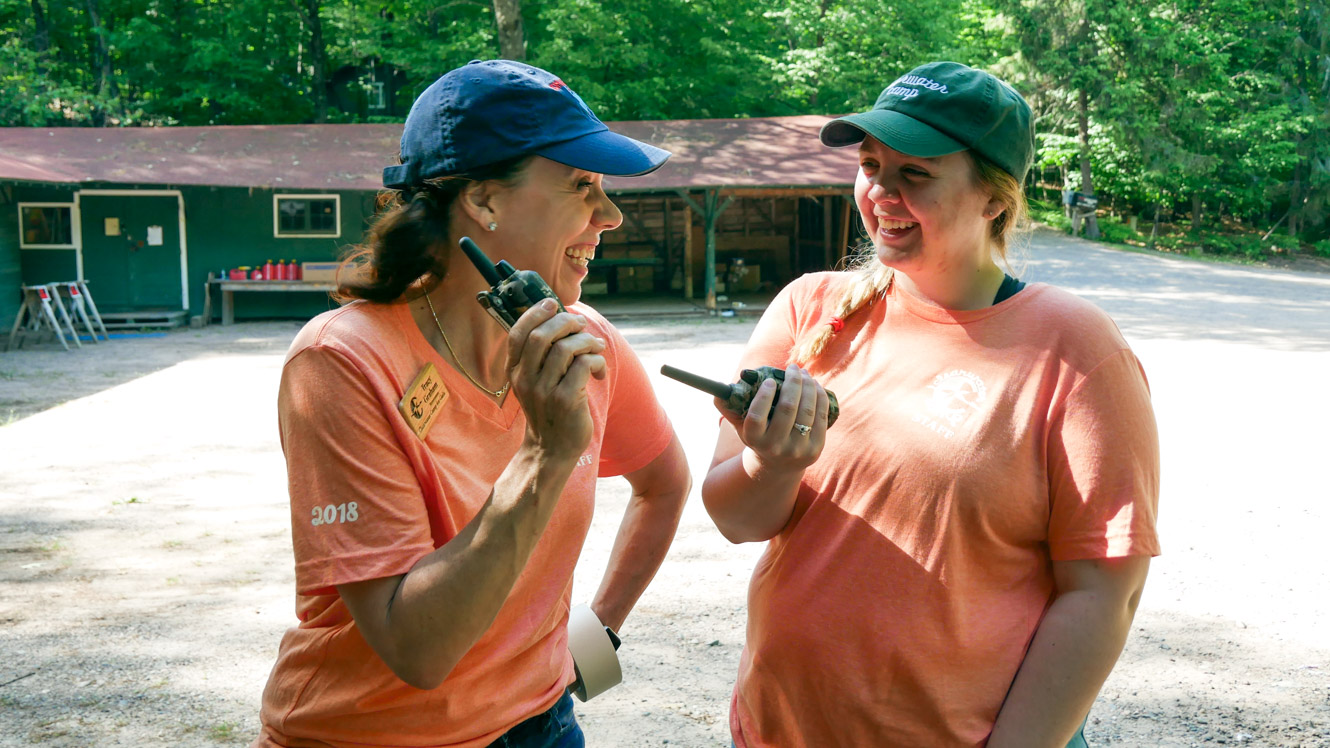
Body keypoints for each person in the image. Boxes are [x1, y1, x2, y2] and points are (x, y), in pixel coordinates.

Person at [701, 61, 1160, 747]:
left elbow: (1102, 595)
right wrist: (772, 467)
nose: (880, 192)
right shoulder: (809, 308)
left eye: (914, 174)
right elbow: (736, 520)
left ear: (993, 200)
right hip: (776, 727)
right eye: (870, 164)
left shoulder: (1076, 347)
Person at [253, 60, 691, 748]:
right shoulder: (342, 361)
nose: (611, 215)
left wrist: (595, 639)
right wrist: (546, 454)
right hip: (374, 735)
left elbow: (663, 486)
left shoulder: (587, 341)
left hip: (543, 724)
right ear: (484, 202)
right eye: (582, 186)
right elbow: (417, 653)